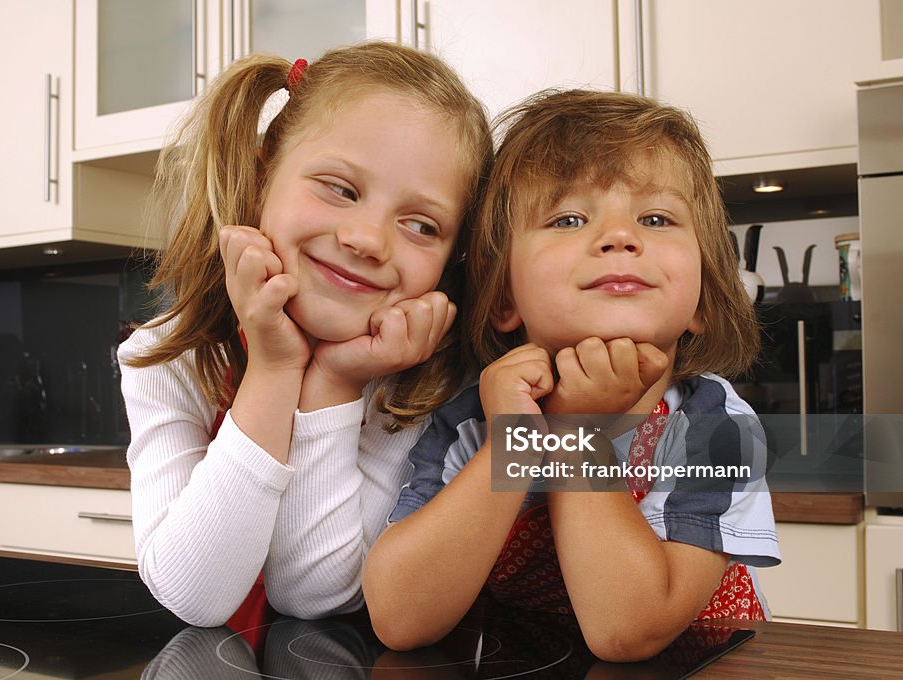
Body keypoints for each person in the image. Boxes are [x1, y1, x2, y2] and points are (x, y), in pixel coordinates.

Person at [362, 89, 781, 662]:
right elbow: (402, 620)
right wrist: (516, 441)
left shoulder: (716, 427)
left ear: (703, 299)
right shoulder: (469, 423)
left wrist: (570, 431)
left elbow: (629, 630)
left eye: (655, 218)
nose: (618, 236)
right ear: (505, 295)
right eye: (569, 218)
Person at [118, 41, 492, 627]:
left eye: (421, 224)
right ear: (264, 174)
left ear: (453, 259)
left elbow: (317, 595)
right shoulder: (167, 356)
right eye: (340, 189)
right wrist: (273, 370)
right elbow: (194, 595)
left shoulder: (432, 381)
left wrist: (337, 381)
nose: (368, 239)